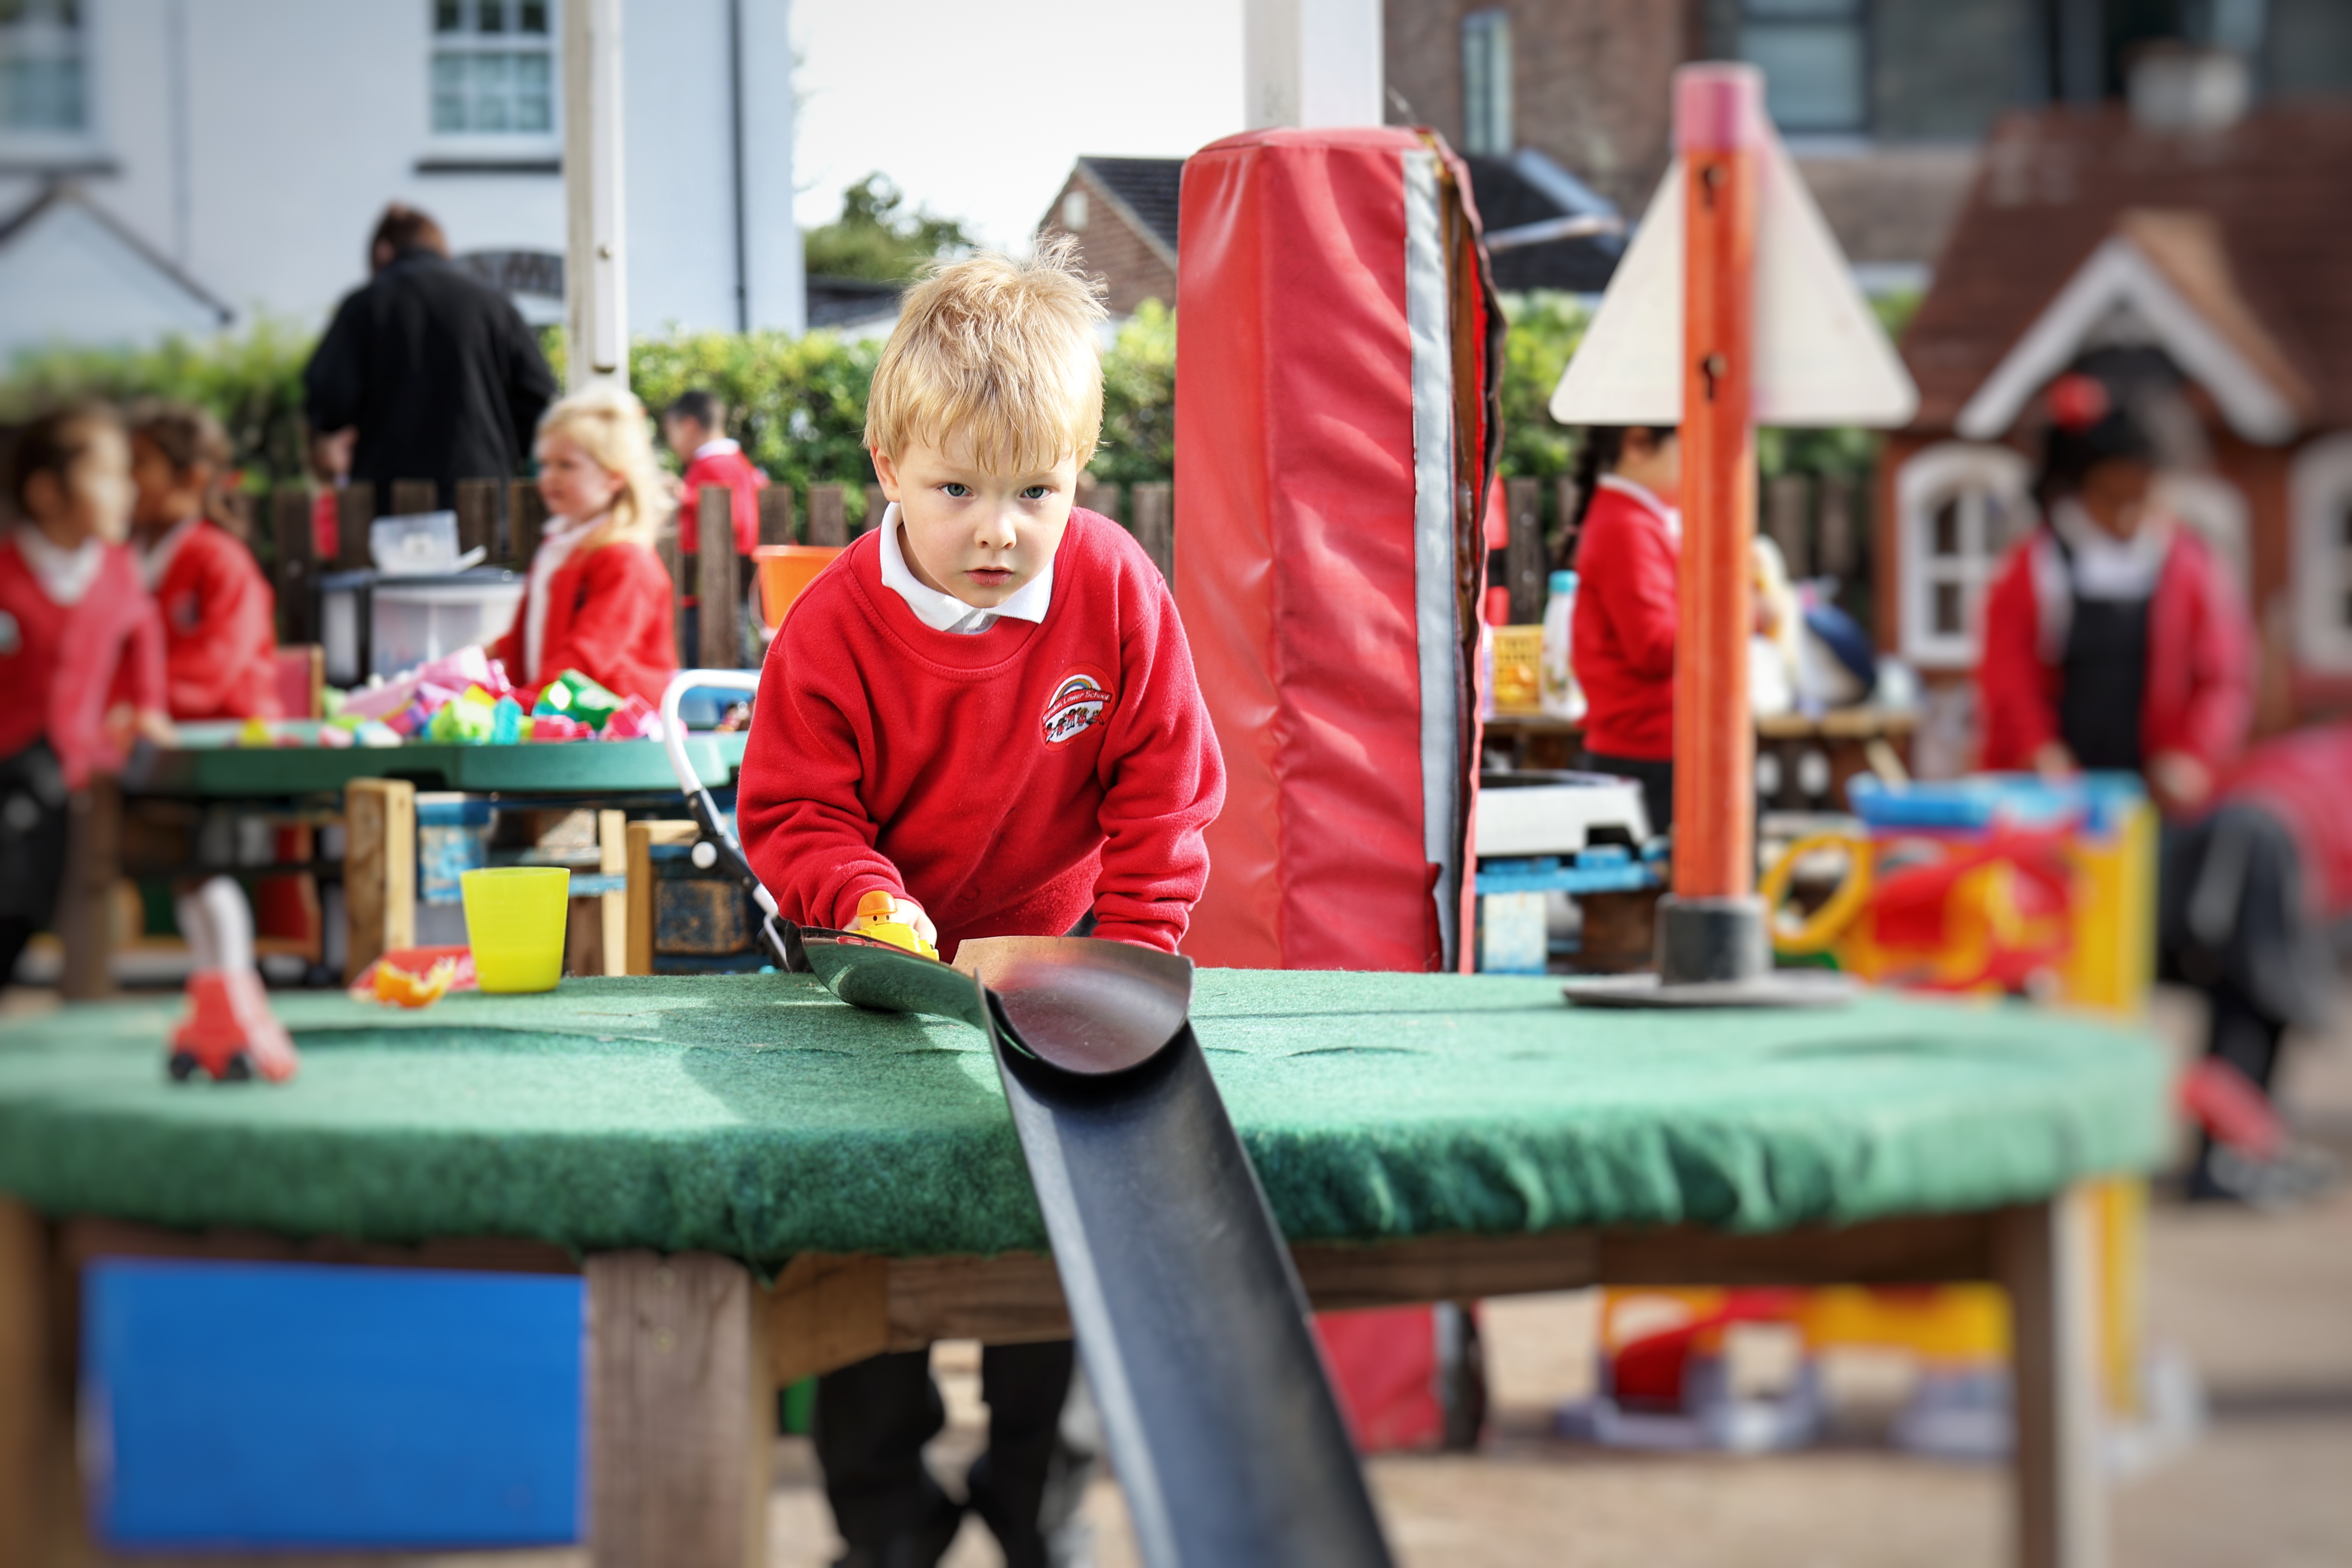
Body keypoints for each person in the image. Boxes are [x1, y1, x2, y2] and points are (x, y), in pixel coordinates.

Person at [736, 240, 1225, 1568]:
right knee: (860, 1251)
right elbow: (794, 812)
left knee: (1060, 1247)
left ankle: (1036, 1504)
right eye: (957, 488)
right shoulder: (833, 625)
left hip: (1057, 973)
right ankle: (886, 1522)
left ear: (1080, 477)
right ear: (891, 469)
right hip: (872, 987)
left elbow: (1165, 794)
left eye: (1037, 490)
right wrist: (867, 901)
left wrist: (1129, 957)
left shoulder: (1116, 584)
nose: (998, 527)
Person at [1977, 371, 2251, 815]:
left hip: (2161, 795)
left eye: (2139, 498)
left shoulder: (2191, 567)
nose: (2126, 515)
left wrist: (2194, 756)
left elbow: (2225, 678)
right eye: (2111, 498)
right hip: (2052, 793)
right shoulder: (2035, 564)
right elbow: (2008, 677)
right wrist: (2039, 751)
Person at [0, 405, 170, 984]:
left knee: (43, 890)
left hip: (77, 766)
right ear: (48, 493)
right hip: (13, 767)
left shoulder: (117, 570)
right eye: (107, 475)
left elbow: (142, 632)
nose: (128, 491)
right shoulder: (8, 575)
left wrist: (146, 706)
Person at [302, 204, 557, 508]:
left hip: (389, 505)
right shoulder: (495, 305)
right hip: (483, 500)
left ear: (383, 251)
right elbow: (539, 399)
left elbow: (326, 399)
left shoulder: (364, 306)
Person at [488, 386, 679, 709]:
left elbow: (586, 658)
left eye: (566, 465)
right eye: (544, 464)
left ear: (614, 476)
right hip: (562, 720)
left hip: (615, 739)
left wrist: (521, 707)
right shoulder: (559, 547)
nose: (548, 477)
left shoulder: (626, 560)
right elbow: (526, 639)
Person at [126, 401, 281, 721]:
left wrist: (134, 704)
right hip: (142, 737)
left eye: (140, 463)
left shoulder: (223, 561)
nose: (127, 479)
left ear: (192, 479)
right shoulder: (122, 560)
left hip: (228, 745)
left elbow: (215, 662)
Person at [1565, 425, 1682, 833]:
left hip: (1650, 748)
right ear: (1638, 444)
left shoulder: (1632, 519)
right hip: (1651, 752)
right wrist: (1743, 615)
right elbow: (1655, 647)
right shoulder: (1628, 526)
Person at [662, 389, 768, 664]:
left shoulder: (714, 466)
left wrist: (685, 498)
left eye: (670, 431)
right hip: (719, 592)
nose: (671, 442)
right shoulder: (738, 463)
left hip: (710, 596)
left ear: (689, 426)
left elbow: (739, 523)